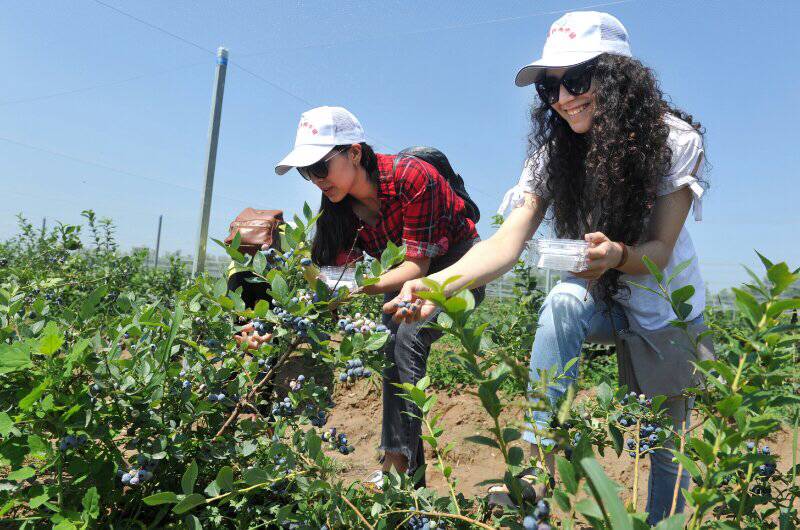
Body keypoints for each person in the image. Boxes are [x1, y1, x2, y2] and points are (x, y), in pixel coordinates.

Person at [384, 11, 708, 524]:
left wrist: (619, 256)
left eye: (575, 80)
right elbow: (506, 242)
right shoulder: (553, 151)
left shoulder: (673, 140)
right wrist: (436, 284)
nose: (561, 99)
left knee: (665, 450)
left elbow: (661, 251)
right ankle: (537, 463)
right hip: (602, 300)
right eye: (549, 88)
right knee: (563, 299)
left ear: (617, 75)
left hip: (663, 307)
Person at [272, 106, 485, 487]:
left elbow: (417, 268)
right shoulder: (341, 210)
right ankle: (404, 468)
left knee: (407, 333)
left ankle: (397, 464)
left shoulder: (411, 177)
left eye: (320, 167)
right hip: (405, 277)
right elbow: (337, 276)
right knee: (390, 336)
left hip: (462, 265)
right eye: (307, 172)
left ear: (354, 152)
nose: (315, 180)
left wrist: (355, 287)